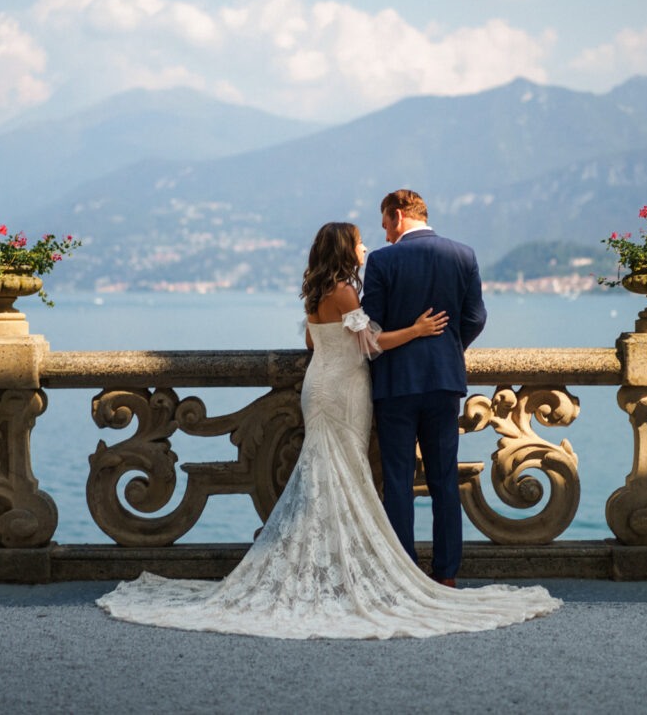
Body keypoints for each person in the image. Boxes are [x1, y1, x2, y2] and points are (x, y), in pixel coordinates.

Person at [96, 222, 559, 638]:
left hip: (320, 384)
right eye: (358, 243)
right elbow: (372, 345)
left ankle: (334, 561)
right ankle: (365, 568)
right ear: (344, 249)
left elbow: (313, 342)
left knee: (327, 474)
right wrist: (417, 330)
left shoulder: (319, 293)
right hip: (343, 390)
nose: (365, 248)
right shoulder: (345, 292)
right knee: (344, 471)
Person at [361, 189, 486, 586]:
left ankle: (404, 572)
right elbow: (476, 317)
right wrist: (450, 348)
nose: (384, 236)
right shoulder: (463, 255)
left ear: (398, 215)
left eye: (385, 225)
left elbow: (371, 328)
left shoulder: (383, 260)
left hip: (396, 382)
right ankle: (447, 574)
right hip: (444, 381)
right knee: (444, 478)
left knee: (398, 479)